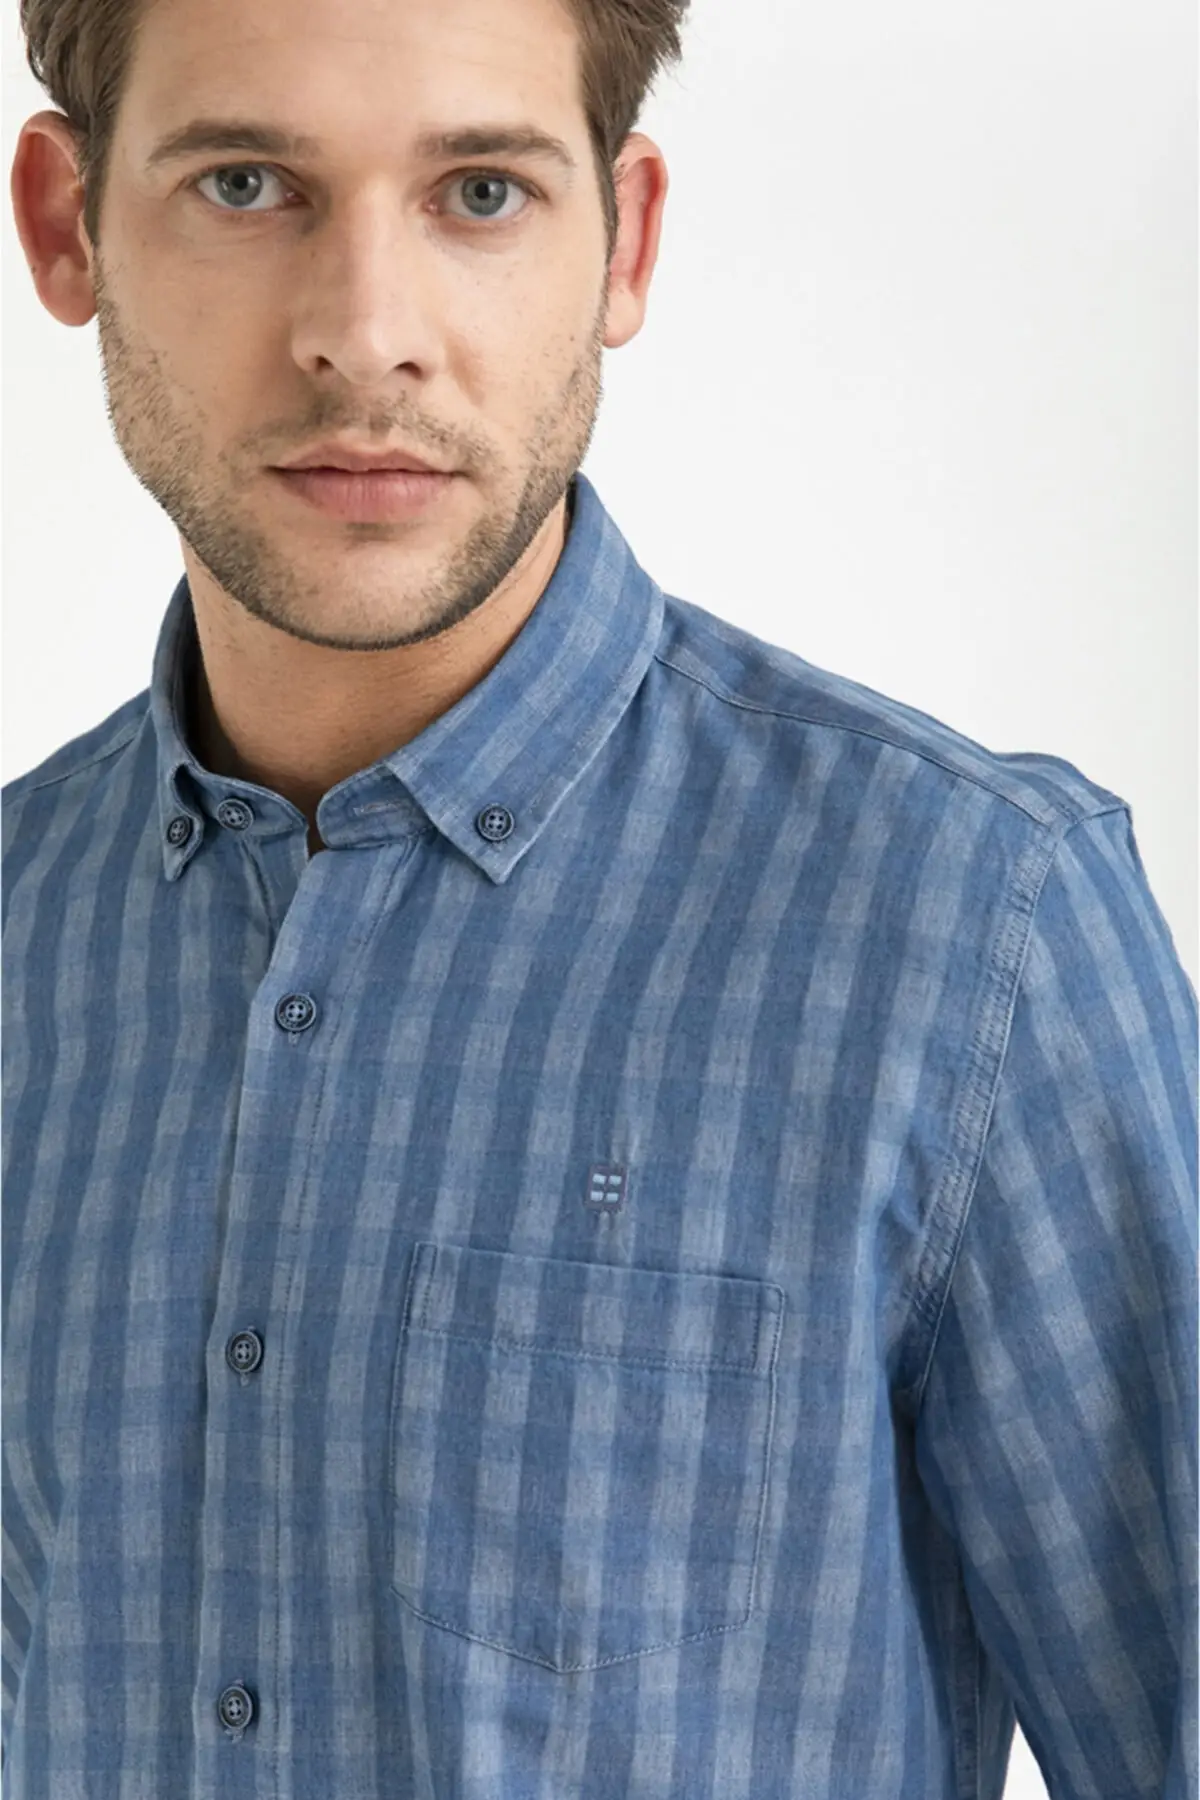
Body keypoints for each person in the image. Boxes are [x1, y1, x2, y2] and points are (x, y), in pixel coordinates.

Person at [3, 0, 1195, 1793]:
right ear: (68, 227)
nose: (366, 334)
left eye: (480, 191)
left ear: (624, 241)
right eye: (247, 183)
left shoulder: (975, 930)